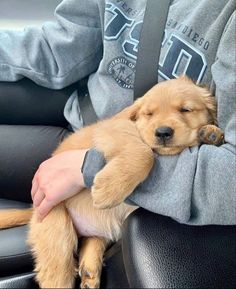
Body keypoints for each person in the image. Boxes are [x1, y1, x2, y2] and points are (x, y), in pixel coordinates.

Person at [0, 0, 235, 225]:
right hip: (82, 130)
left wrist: (92, 166)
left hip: (151, 170)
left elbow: (229, 178)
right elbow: (58, 48)